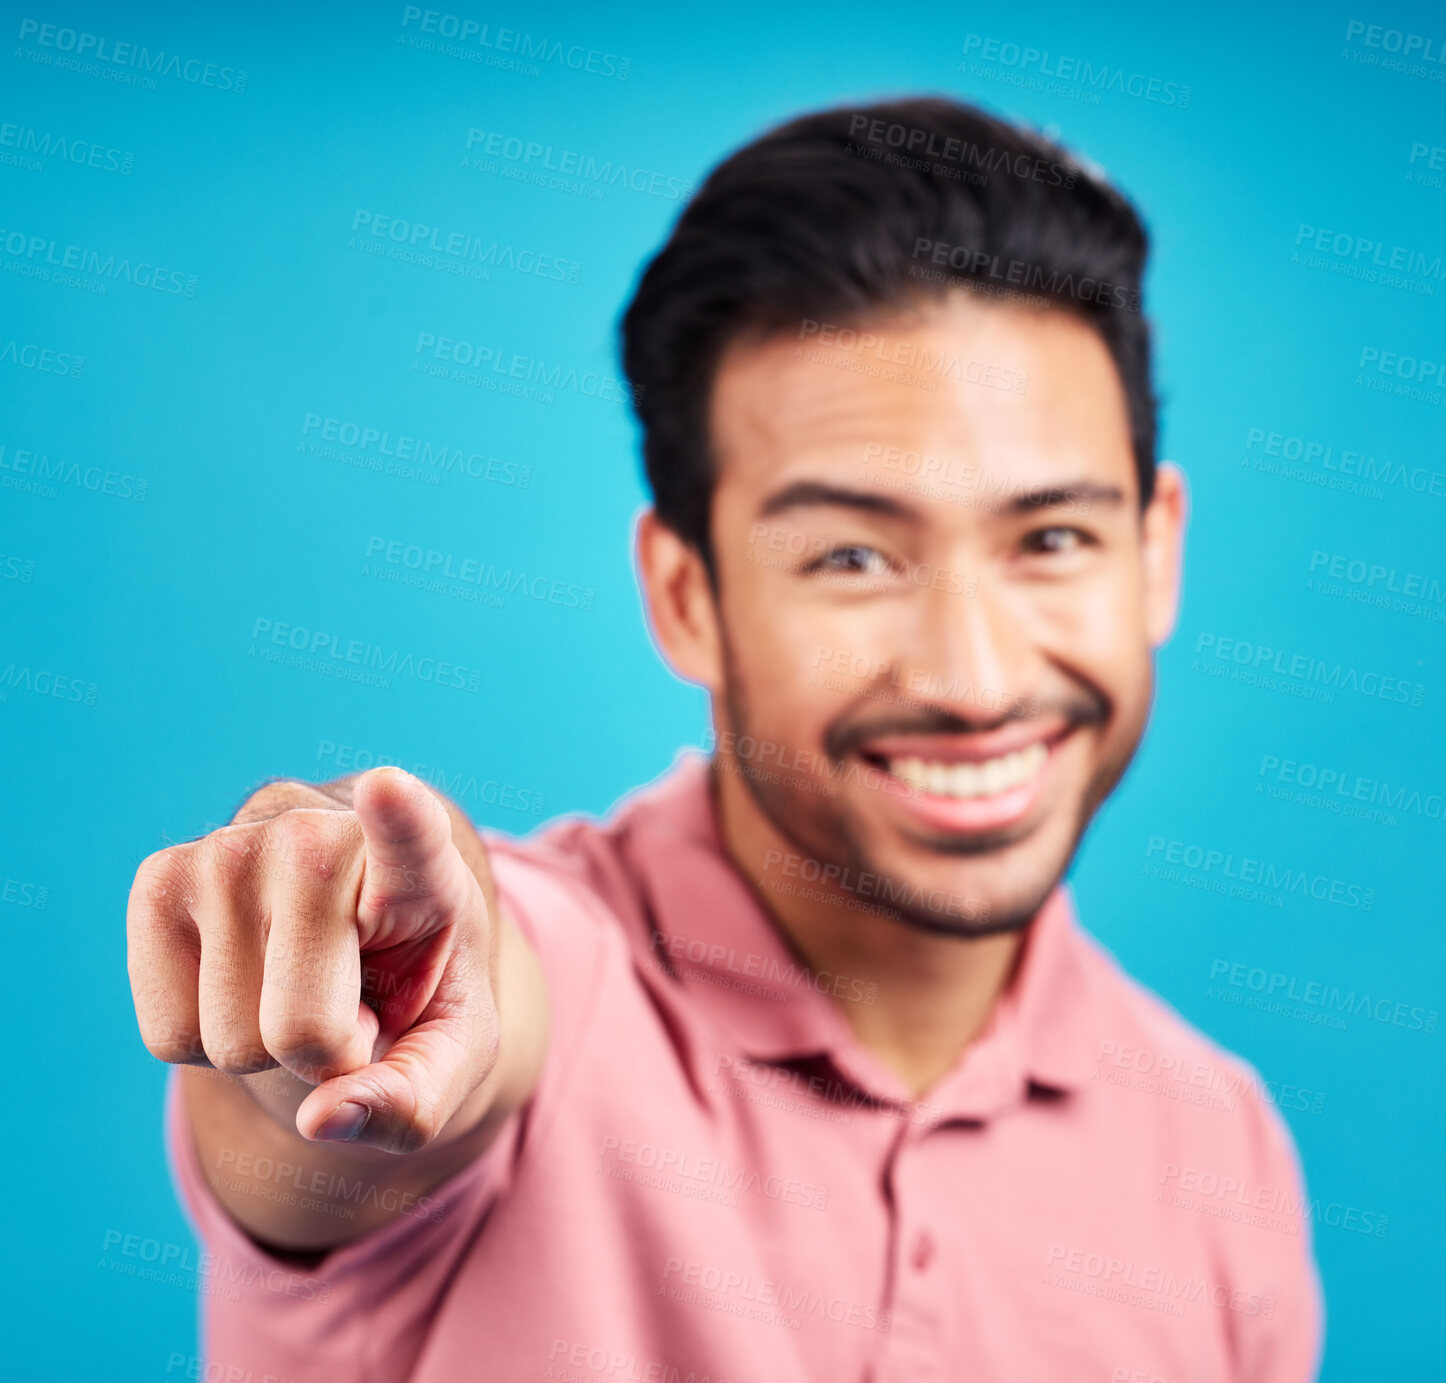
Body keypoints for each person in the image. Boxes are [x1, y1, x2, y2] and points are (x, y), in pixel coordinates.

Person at [127, 97, 1324, 1382]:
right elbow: (428, 1047)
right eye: (851, 555)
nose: (974, 679)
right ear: (686, 595)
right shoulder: (561, 984)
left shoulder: (1223, 1153)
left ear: (1156, 548)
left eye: (1051, 540)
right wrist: (351, 972)